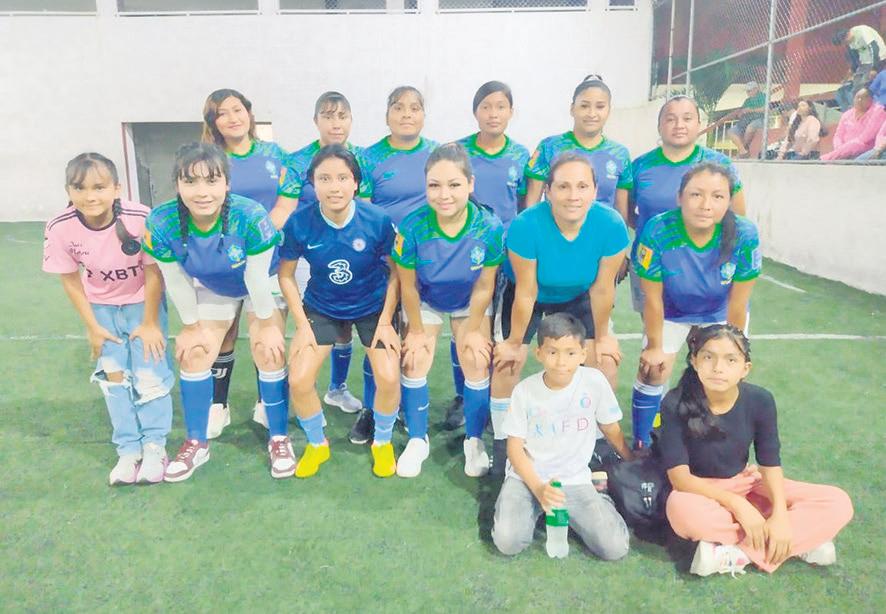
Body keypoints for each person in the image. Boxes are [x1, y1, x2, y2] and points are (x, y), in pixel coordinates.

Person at [143, 142, 288, 481]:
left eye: (212, 181)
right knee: (194, 352)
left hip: (262, 282)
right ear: (177, 184)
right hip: (214, 285)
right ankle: (196, 443)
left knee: (268, 349)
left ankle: (279, 438)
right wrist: (190, 326)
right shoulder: (161, 221)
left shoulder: (250, 215)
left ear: (227, 183)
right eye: (190, 181)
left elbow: (256, 277)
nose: (202, 192)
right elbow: (175, 279)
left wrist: (268, 325)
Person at [660, 324, 854, 576]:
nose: (718, 367)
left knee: (838, 502)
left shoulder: (760, 399)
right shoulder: (674, 402)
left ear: (745, 368)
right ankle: (800, 544)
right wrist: (738, 506)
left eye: (731, 360)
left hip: (745, 483)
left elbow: (770, 463)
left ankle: (735, 555)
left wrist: (780, 517)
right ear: (695, 361)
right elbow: (680, 479)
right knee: (681, 510)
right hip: (701, 492)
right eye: (708, 357)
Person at [492, 153, 629, 476]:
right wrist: (514, 342)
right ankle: (502, 441)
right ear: (548, 191)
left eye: (582, 186)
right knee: (508, 362)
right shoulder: (526, 225)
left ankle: (597, 442)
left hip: (580, 293)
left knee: (604, 361)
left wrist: (603, 337)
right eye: (563, 186)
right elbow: (526, 291)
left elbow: (603, 288)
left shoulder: (611, 225)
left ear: (595, 191)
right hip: (531, 292)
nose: (573, 195)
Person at [43, 153, 174, 486]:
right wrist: (93, 327)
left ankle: (155, 446)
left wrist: (150, 323)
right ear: (68, 191)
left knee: (149, 375)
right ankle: (128, 450)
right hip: (101, 309)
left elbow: (153, 271)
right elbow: (70, 280)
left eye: (99, 187)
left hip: (142, 305)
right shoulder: (60, 227)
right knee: (114, 378)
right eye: (80, 188)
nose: (90, 196)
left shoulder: (140, 217)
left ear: (117, 188)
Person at [277, 145, 401, 478]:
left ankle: (382, 442)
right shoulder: (299, 222)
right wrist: (302, 325)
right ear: (312, 184)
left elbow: (396, 273)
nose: (334, 187)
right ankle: (317, 444)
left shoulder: (377, 220)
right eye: (325, 178)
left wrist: (386, 321)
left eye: (343, 178)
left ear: (356, 183)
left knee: (389, 377)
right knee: (300, 379)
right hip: (323, 307)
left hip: (373, 306)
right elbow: (286, 276)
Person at [393, 143, 505, 478]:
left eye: (454, 185)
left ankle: (474, 440)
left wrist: (473, 330)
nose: (444, 195)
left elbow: (485, 285)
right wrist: (415, 330)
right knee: (414, 358)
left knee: (476, 357)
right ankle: (418, 439)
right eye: (434, 185)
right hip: (426, 297)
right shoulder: (412, 226)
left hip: (470, 299)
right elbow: (408, 286)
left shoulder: (489, 226)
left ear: (470, 184)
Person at [630, 162, 760, 449]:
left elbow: (738, 302)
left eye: (717, 196)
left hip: (719, 311)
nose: (706, 205)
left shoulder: (744, 234)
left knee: (721, 373)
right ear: (680, 197)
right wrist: (654, 346)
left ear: (729, 200)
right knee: (653, 370)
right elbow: (652, 297)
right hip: (671, 311)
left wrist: (732, 348)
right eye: (696, 194)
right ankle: (643, 443)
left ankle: (713, 440)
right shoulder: (659, 229)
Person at [491, 313, 632, 559]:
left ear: (583, 354)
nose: (561, 362)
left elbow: (610, 426)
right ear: (539, 353)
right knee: (507, 542)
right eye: (552, 352)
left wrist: (631, 458)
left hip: (574, 479)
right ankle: (532, 509)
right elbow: (514, 448)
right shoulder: (525, 391)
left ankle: (600, 497)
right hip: (528, 480)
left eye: (570, 353)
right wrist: (539, 489)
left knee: (614, 548)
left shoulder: (594, 382)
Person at [349, 86, 438, 446]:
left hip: (426, 261)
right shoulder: (370, 158)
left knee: (415, 334)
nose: (406, 114)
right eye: (398, 108)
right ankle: (372, 408)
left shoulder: (437, 154)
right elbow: (364, 212)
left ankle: (405, 405)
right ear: (387, 114)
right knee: (380, 335)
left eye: (414, 108)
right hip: (382, 261)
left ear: (423, 115)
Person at [200, 88, 289, 438]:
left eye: (237, 110)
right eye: (222, 113)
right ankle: (217, 405)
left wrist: (260, 238)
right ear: (213, 122)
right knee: (222, 335)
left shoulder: (274, 154)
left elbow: (287, 199)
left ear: (249, 113)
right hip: (220, 264)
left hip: (267, 263)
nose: (232, 118)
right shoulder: (208, 161)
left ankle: (266, 403)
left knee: (266, 337)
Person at [272, 91, 367, 419]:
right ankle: (289, 392)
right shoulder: (297, 161)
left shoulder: (362, 158)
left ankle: (337, 388)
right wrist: (259, 237)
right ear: (316, 121)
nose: (335, 123)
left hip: (352, 253)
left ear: (351, 120)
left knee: (345, 325)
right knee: (308, 325)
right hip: (308, 254)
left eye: (342, 116)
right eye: (328, 116)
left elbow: (366, 209)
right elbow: (284, 208)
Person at [445, 81, 530, 433]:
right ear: (475, 111)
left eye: (500, 107)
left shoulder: (521, 155)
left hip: (506, 256)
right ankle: (464, 395)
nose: (493, 114)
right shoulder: (457, 151)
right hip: (466, 254)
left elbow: (523, 205)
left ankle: (497, 396)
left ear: (511, 112)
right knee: (465, 325)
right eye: (486, 106)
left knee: (498, 328)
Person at [523, 75, 632, 223]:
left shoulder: (620, 154)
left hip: (602, 235)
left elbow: (621, 214)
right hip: (555, 233)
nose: (592, 114)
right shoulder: (550, 147)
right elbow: (532, 205)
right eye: (584, 106)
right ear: (572, 109)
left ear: (609, 110)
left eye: (600, 107)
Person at [821, 87, 886, 160]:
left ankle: (823, 160)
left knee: (854, 145)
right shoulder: (847, 114)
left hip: (864, 147)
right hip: (843, 150)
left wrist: (846, 148)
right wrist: (840, 148)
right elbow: (838, 135)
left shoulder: (878, 112)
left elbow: (866, 137)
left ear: (871, 99)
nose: (860, 100)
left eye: (864, 98)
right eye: (857, 97)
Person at [834, 25, 885, 111]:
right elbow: (855, 57)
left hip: (879, 59)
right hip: (865, 63)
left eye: (846, 42)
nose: (847, 44)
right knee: (855, 85)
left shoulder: (862, 31)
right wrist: (852, 70)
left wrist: (874, 68)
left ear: (847, 34)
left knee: (863, 84)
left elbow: (874, 48)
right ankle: (855, 109)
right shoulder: (850, 42)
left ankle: (868, 108)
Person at [727, 82, 766, 158]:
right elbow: (742, 111)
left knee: (750, 128)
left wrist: (750, 110)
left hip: (759, 119)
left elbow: (764, 109)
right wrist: (740, 113)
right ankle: (743, 151)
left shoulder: (763, 96)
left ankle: (744, 149)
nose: (747, 93)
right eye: (747, 91)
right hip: (746, 120)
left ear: (756, 89)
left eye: (749, 91)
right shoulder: (747, 100)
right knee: (730, 132)